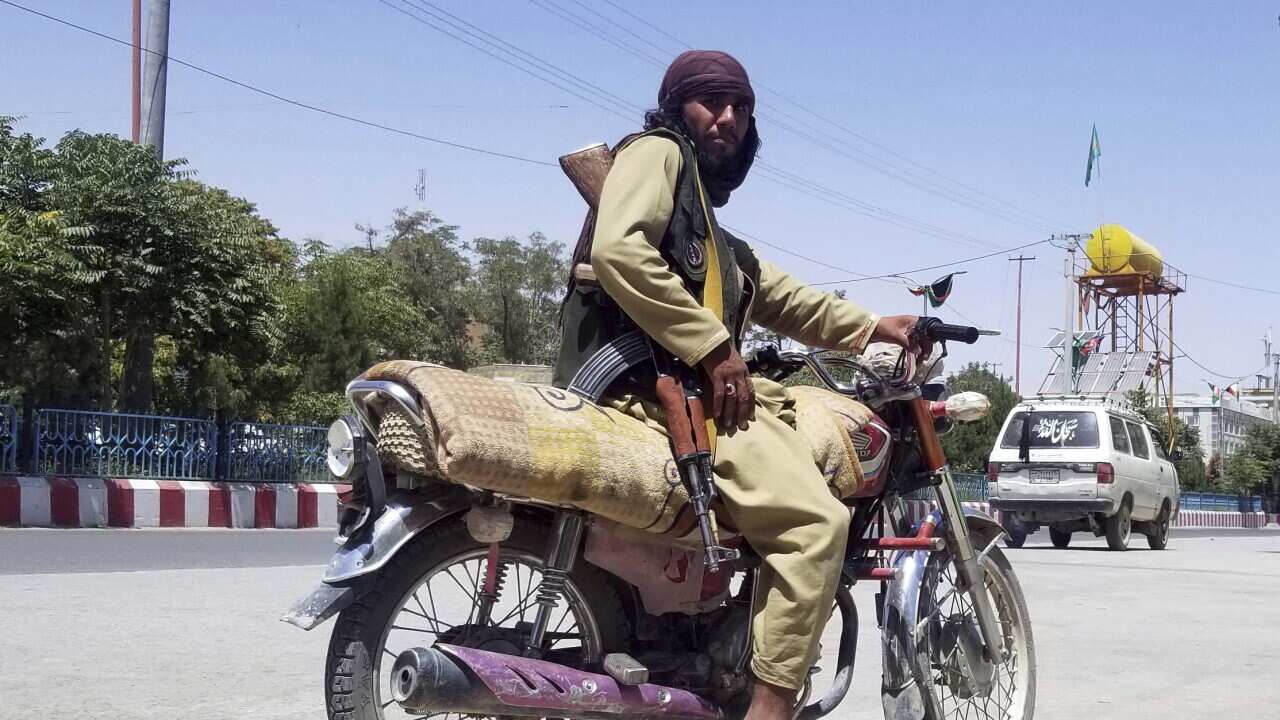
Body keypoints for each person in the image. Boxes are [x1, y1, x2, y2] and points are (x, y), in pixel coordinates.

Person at [554, 50, 919, 720]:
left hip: (670, 387)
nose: (727, 118)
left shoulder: (710, 234)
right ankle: (770, 707)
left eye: (741, 108)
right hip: (652, 389)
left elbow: (788, 299)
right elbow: (617, 251)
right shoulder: (658, 153)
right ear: (676, 109)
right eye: (710, 103)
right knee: (815, 525)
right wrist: (715, 347)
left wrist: (875, 327)